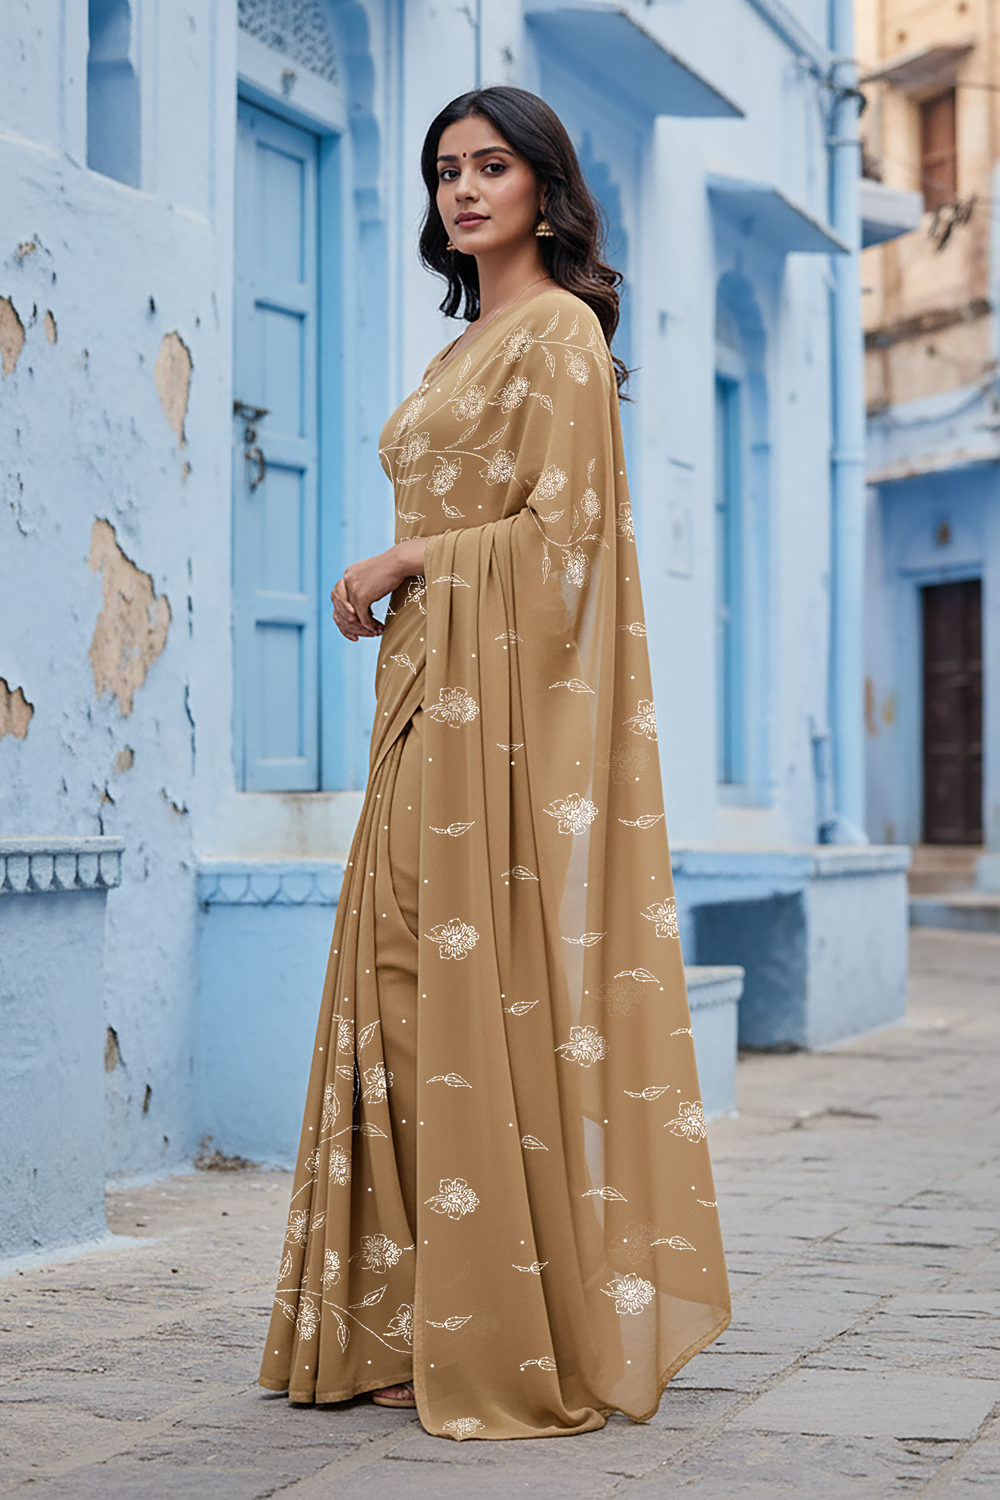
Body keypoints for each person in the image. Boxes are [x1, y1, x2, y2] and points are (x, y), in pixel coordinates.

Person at [258, 85, 730, 1442]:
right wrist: (403, 585)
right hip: (424, 700)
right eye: (445, 170)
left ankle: (492, 1324)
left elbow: (570, 545)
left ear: (543, 188)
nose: (464, 190)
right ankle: (405, 1316)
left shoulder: (562, 335)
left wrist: (417, 559)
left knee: (449, 997)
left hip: (495, 721)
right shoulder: (464, 346)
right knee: (395, 992)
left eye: (492, 167)